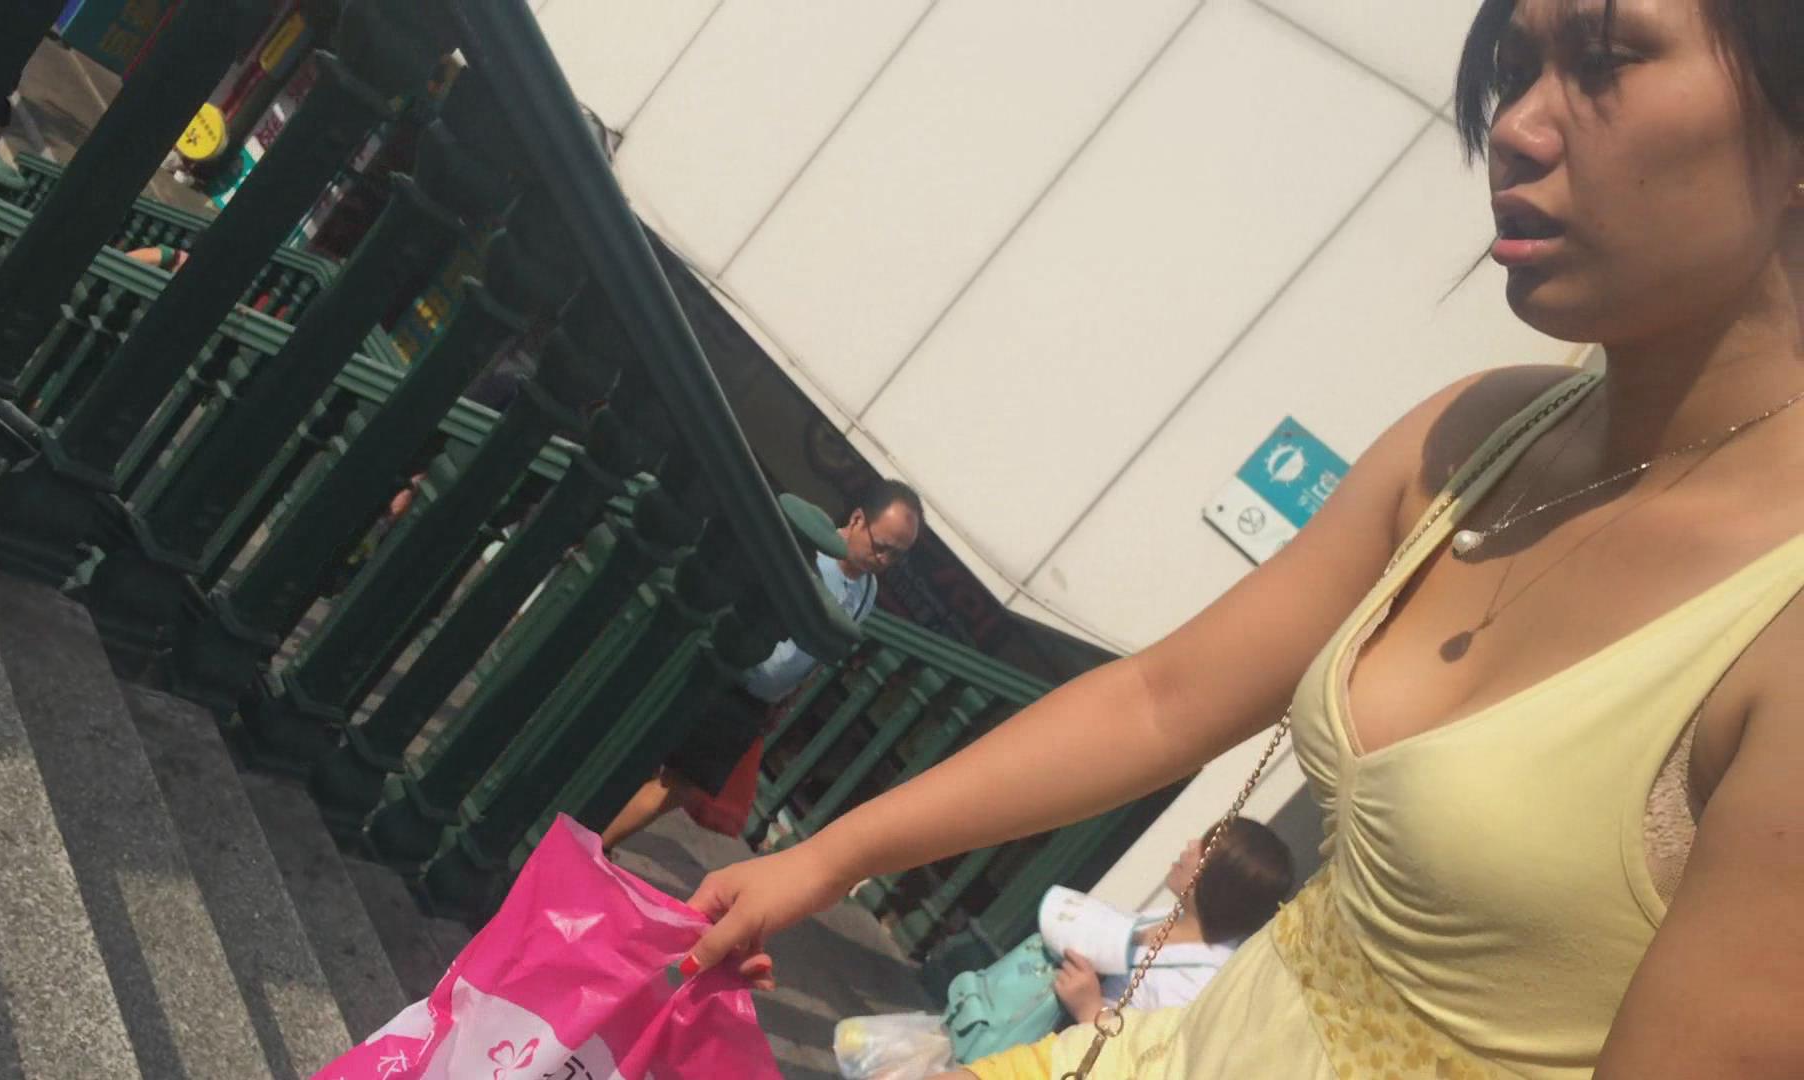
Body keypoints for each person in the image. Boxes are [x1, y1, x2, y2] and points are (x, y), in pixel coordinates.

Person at [679, 2, 1804, 1076]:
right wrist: (823, 860)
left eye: (1606, 61)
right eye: (1515, 70)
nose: (1514, 126)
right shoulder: (1485, 431)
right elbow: (1161, 700)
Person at [599, 479, 924, 851]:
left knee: (680, 784)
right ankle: (588, 832)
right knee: (636, 751)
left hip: (754, 700)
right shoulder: (807, 551)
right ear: (857, 519)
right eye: (881, 546)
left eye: (896, 556)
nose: (884, 560)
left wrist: (782, 703)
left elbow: (820, 652)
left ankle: (600, 840)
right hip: (721, 665)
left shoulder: (867, 591)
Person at [1049, 821, 1293, 1027]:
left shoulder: (1196, 985)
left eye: (1205, 851)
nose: (1191, 845)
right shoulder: (1174, 917)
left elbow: (1149, 1059)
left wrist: (1090, 1009)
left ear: (1221, 886)